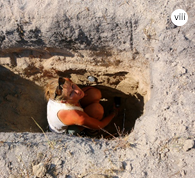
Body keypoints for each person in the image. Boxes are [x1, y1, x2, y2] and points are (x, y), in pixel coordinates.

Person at [44, 76, 118, 135]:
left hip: (73, 106)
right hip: (66, 131)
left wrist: (84, 91)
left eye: (73, 86)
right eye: (71, 94)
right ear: (64, 101)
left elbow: (69, 82)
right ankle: (90, 132)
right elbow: (100, 125)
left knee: (95, 93)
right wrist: (113, 114)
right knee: (97, 110)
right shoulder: (75, 115)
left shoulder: (63, 84)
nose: (77, 91)